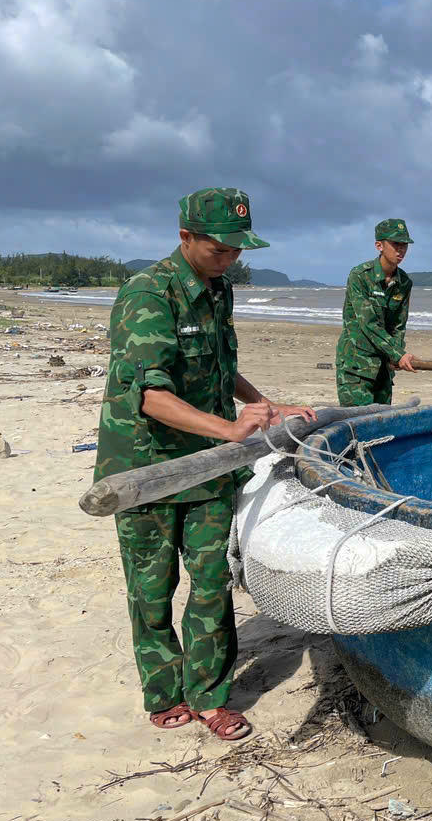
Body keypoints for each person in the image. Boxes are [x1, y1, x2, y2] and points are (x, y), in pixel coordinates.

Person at [95, 188, 316, 740]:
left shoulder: (220, 291)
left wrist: (263, 404)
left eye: (239, 249)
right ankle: (164, 692)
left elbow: (220, 365)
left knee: (213, 581)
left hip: (211, 465)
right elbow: (150, 395)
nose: (231, 259)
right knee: (151, 589)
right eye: (220, 249)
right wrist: (230, 429)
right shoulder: (148, 294)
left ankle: (211, 696)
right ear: (185, 237)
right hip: (147, 468)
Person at [335, 218, 417, 405]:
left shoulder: (404, 283)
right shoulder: (360, 276)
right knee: (356, 426)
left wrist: (395, 357)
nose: (401, 250)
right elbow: (369, 323)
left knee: (382, 426)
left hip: (384, 369)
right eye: (395, 244)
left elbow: (398, 326)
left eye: (404, 245)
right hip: (356, 366)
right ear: (379, 245)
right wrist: (398, 354)